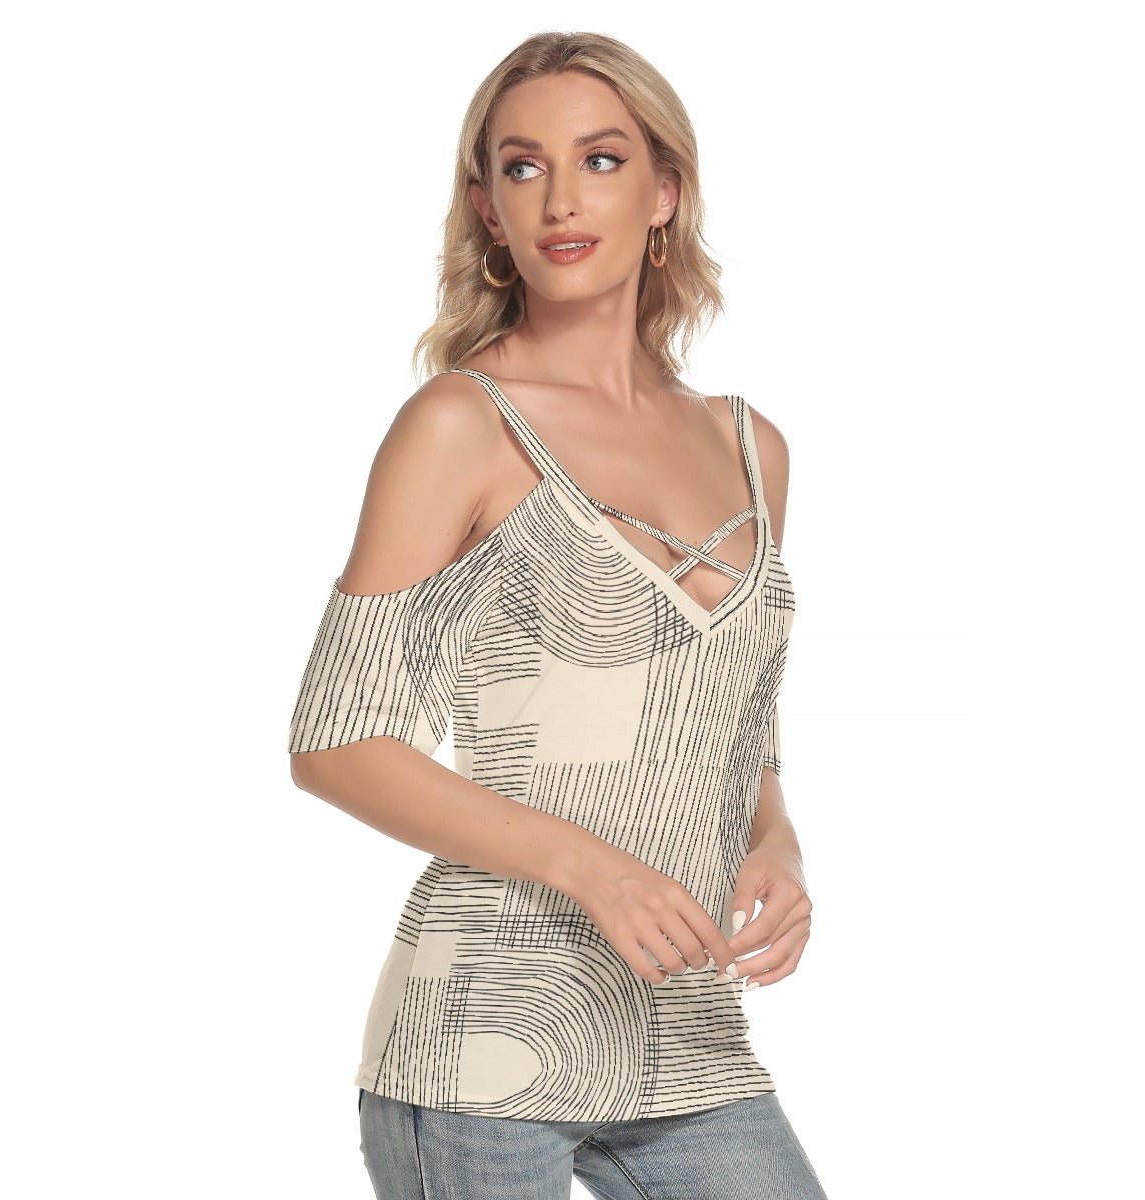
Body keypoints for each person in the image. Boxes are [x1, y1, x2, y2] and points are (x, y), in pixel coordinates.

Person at [288, 30, 828, 1200]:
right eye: (523, 167)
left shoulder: (751, 446)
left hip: (686, 1034)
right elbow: (335, 742)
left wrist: (774, 842)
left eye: (602, 159)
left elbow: (736, 718)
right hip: (484, 1039)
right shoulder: (461, 424)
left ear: (664, 192)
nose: (561, 199)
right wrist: (595, 872)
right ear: (488, 207)